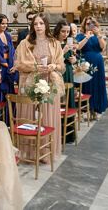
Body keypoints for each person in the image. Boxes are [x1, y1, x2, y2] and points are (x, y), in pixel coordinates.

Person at [15, 14, 65, 162]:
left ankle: (46, 152)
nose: (38, 26)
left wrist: (53, 66)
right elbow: (19, 65)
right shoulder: (25, 43)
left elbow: (61, 65)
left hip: (49, 82)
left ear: (46, 25)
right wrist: (35, 67)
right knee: (30, 115)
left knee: (47, 115)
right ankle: (30, 152)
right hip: (30, 81)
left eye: (41, 23)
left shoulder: (54, 43)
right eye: (35, 24)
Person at [76, 16, 108, 120]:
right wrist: (87, 37)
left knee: (96, 85)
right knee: (85, 85)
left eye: (92, 23)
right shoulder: (80, 36)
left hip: (97, 62)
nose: (90, 25)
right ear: (84, 25)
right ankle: (81, 111)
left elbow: (103, 46)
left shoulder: (97, 35)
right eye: (88, 24)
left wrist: (98, 34)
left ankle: (94, 110)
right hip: (84, 61)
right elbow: (78, 47)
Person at [55, 21, 79, 142]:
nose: (65, 34)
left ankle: (68, 135)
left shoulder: (68, 42)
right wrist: (63, 51)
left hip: (68, 72)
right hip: (59, 74)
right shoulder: (54, 43)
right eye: (63, 31)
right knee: (59, 101)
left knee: (69, 101)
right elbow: (53, 60)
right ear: (58, 30)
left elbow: (72, 57)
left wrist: (74, 59)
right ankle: (58, 133)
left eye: (67, 32)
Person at [0, 14, 18, 107]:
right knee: (0, 90)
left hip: (9, 65)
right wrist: (7, 65)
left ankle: (9, 114)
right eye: (2, 24)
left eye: (6, 24)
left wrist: (13, 65)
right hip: (0, 66)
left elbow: (13, 52)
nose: (5, 26)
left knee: (9, 90)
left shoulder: (7, 35)